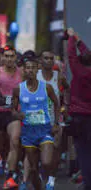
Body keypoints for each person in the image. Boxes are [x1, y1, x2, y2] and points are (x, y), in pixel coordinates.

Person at [12, 56, 59, 190]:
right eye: (28, 68)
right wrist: (17, 115)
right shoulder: (18, 89)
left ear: (37, 69)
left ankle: (50, 179)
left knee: (46, 162)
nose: (30, 70)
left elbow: (56, 103)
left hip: (44, 129)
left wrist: (56, 123)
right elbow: (12, 110)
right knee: (33, 168)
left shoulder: (47, 88)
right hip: (28, 131)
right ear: (24, 70)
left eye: (33, 67)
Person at [0, 45, 23, 189]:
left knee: (14, 141)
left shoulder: (22, 74)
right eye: (6, 56)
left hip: (13, 114)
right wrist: (6, 101)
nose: (8, 59)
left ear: (15, 58)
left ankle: (10, 177)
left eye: (11, 56)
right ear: (3, 58)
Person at [37, 50, 70, 183]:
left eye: (51, 58)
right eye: (46, 58)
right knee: (39, 151)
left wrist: (66, 105)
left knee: (55, 149)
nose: (49, 61)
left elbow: (68, 89)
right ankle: (40, 174)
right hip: (37, 119)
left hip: (55, 118)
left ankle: (51, 180)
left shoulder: (59, 76)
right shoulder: (35, 75)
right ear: (41, 60)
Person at [66, 28, 91, 189]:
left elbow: (71, 54)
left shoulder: (79, 71)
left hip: (79, 118)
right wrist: (80, 42)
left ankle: (88, 184)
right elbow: (86, 54)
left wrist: (72, 38)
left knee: (83, 153)